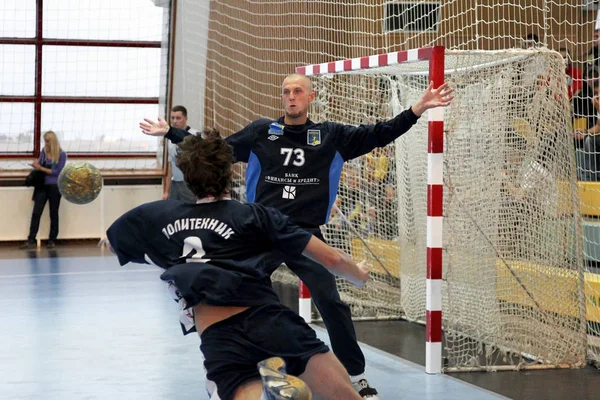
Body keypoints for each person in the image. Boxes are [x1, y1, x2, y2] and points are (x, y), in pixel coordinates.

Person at [141, 73, 453, 399]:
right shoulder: (262, 131)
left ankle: (357, 378)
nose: (291, 96)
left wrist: (417, 108)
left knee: (330, 301)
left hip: (303, 234)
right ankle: (226, 365)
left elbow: (378, 134)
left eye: (298, 91)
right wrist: (171, 133)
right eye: (286, 92)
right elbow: (214, 150)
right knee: (226, 286)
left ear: (310, 96)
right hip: (261, 230)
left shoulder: (330, 135)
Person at [104, 132, 368, 400]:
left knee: (239, 390)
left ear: (188, 177)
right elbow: (332, 259)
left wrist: (164, 255)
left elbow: (113, 241)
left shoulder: (158, 215)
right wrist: (358, 275)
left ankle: (265, 386)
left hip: (219, 337)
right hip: (269, 321)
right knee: (344, 393)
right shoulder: (255, 215)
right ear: (229, 172)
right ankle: (277, 378)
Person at [20, 131, 67, 249]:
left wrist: (40, 168)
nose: (46, 143)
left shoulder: (61, 155)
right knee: (36, 212)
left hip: (54, 186)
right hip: (42, 185)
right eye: (45, 141)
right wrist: (37, 165)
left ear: (53, 141)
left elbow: (56, 172)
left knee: (53, 213)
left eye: (48, 141)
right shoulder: (44, 152)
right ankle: (31, 239)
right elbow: (41, 165)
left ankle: (52, 239)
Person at [163, 105, 200, 203]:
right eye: (172, 118)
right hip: (175, 184)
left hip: (190, 183)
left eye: (178, 118)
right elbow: (171, 166)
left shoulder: (195, 135)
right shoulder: (170, 139)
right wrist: (166, 191)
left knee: (191, 213)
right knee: (173, 212)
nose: (175, 121)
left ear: (186, 118)